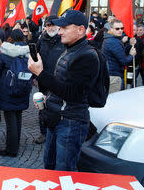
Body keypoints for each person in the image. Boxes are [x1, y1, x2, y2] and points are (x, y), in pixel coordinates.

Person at [28, 10, 99, 171]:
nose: (59, 31)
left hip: (70, 122)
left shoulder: (87, 55)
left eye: (64, 28)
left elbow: (73, 93)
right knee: (50, 166)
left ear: (80, 30)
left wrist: (40, 73)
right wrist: (50, 98)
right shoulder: (71, 48)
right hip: (57, 117)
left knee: (64, 172)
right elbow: (63, 82)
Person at [0, 29, 31, 157]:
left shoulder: (5, 52)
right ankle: (16, 144)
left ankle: (11, 149)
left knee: (10, 121)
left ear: (11, 38)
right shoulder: (29, 52)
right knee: (18, 117)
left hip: (7, 90)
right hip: (23, 88)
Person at [34, 15, 65, 144]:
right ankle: (43, 132)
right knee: (42, 105)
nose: (50, 27)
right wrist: (36, 76)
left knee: (57, 106)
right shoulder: (42, 40)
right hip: (43, 79)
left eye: (53, 25)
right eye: (48, 25)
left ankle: (56, 131)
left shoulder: (64, 40)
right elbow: (36, 58)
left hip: (58, 80)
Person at [102, 19, 136, 93]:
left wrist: (129, 44)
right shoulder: (113, 42)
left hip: (111, 74)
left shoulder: (112, 39)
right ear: (111, 29)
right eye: (117, 29)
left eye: (122, 28)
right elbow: (124, 61)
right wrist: (131, 55)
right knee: (114, 100)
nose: (120, 30)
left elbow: (120, 52)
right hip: (114, 76)